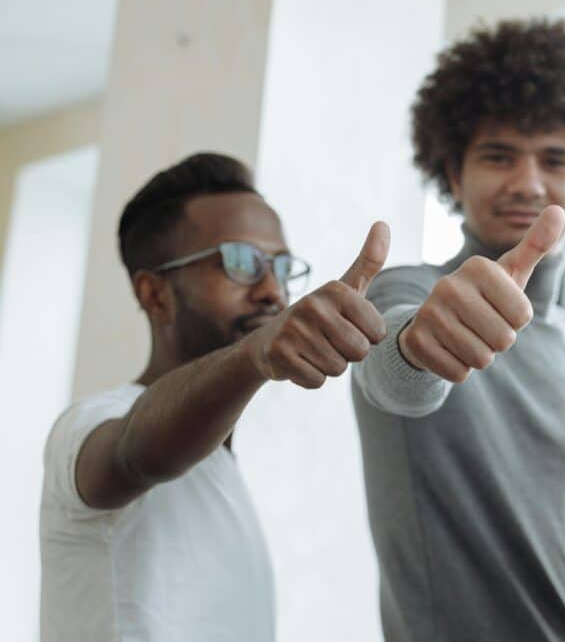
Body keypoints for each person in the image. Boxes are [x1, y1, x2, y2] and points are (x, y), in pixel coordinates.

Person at [351, 19, 565, 641]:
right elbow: (394, 371)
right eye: (498, 156)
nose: (527, 182)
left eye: (555, 160)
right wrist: (418, 348)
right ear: (453, 176)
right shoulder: (412, 292)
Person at [40, 153, 390, 642]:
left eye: (280, 266)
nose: (273, 290)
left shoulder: (228, 467)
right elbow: (132, 455)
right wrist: (253, 355)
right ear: (155, 294)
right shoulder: (90, 422)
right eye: (240, 262)